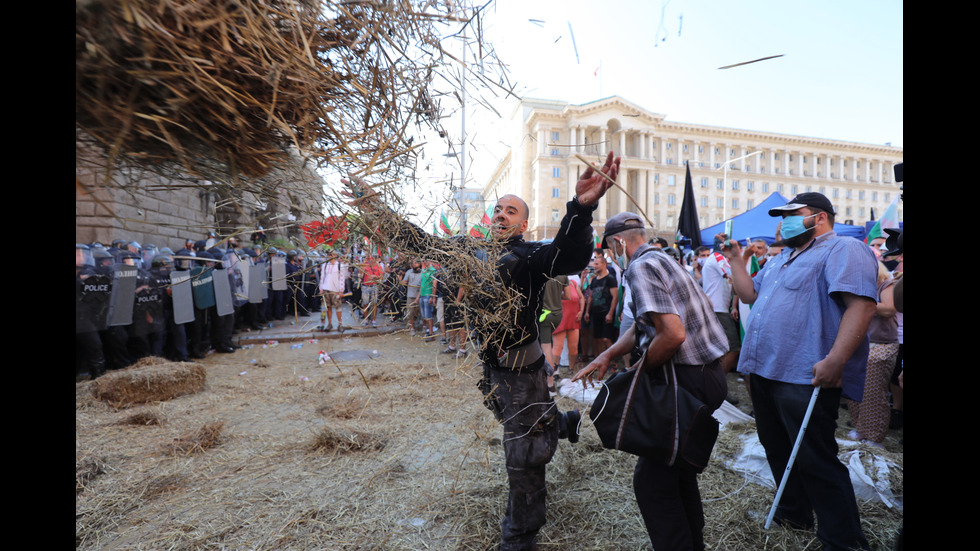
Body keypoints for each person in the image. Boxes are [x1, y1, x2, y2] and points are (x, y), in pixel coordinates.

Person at [342, 150, 620, 551]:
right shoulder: (465, 252)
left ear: (523, 224)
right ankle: (560, 421)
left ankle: (520, 535)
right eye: (498, 209)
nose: (502, 214)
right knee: (504, 413)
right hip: (493, 372)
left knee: (523, 455)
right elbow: (416, 240)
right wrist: (373, 208)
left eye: (511, 211)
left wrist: (581, 208)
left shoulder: (530, 258)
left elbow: (571, 255)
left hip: (524, 375)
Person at [721, 192, 877, 551]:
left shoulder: (843, 250)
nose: (783, 222)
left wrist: (836, 359)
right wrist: (735, 261)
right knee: (776, 447)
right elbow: (748, 296)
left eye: (793, 214)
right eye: (782, 217)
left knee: (814, 456)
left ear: (819, 218)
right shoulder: (782, 258)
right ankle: (794, 513)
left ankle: (843, 539)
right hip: (764, 370)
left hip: (803, 373)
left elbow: (862, 307)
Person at [572, 211, 729, 551]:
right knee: (679, 470)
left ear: (617, 243)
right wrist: (608, 355)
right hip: (708, 374)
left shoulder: (640, 268)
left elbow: (671, 335)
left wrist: (637, 375)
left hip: (687, 380)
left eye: (610, 250)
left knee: (652, 483)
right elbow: (646, 324)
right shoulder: (663, 258)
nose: (611, 256)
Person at [845, 261, 900, 447]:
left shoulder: (885, 283)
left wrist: (862, 303)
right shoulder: (854, 285)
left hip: (882, 344)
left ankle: (874, 436)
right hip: (859, 342)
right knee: (855, 388)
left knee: (873, 392)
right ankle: (861, 430)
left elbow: (889, 309)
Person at [583, 252, 618, 370]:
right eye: (594, 264)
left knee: (607, 338)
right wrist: (587, 311)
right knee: (597, 339)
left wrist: (610, 313)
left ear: (604, 264)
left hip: (606, 311)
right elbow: (591, 297)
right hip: (595, 312)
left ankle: (612, 362)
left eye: (597, 264)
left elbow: (615, 297)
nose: (595, 266)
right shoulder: (594, 280)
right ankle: (599, 362)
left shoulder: (610, 279)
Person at [318, 250, 347, 331]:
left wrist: (341, 290)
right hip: (326, 289)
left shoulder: (340, 266)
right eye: (329, 254)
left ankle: (340, 324)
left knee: (338, 308)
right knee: (327, 307)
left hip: (336, 290)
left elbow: (342, 279)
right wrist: (321, 289)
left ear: (335, 255)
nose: (330, 256)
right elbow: (322, 277)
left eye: (332, 255)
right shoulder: (325, 265)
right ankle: (329, 324)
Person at [401, 258, 423, 335]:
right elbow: (404, 282)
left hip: (421, 295)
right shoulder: (409, 272)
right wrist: (403, 281)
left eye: (416, 262)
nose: (414, 264)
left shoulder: (423, 272)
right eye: (413, 263)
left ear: (420, 264)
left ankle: (424, 326)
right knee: (410, 313)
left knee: (422, 312)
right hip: (410, 295)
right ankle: (412, 328)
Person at [360, 255, 383, 327]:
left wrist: (376, 277)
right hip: (365, 286)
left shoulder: (378, 266)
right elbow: (360, 275)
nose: (372, 259)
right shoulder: (365, 265)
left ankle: (374, 319)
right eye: (371, 258)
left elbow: (381, 277)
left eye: (374, 258)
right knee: (365, 303)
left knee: (374, 303)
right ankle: (366, 319)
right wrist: (362, 269)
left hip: (374, 286)